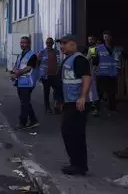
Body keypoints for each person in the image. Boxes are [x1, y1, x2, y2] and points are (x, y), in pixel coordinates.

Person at [58, 34, 92, 176]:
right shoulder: (70, 59)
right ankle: (76, 163)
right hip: (70, 102)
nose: (62, 46)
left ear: (73, 44)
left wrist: (82, 97)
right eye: (61, 44)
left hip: (77, 103)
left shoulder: (79, 59)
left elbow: (86, 78)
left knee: (75, 134)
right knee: (69, 132)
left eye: (64, 43)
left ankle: (79, 165)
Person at [90, 30, 123, 113]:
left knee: (112, 93)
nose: (107, 38)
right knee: (99, 93)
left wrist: (118, 70)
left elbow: (119, 61)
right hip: (101, 73)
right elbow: (94, 60)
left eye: (108, 36)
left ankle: (112, 108)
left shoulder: (116, 49)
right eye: (105, 37)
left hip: (112, 74)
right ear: (103, 38)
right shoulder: (98, 48)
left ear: (111, 37)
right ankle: (96, 109)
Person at [11, 36, 39, 130]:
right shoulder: (20, 55)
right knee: (25, 102)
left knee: (24, 103)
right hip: (20, 82)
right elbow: (16, 65)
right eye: (21, 42)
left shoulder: (32, 55)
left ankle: (22, 122)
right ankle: (33, 120)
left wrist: (19, 72)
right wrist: (14, 72)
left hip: (28, 83)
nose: (22, 44)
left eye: (24, 42)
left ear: (29, 44)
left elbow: (29, 68)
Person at [38, 37, 62, 114]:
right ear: (46, 43)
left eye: (50, 42)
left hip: (55, 75)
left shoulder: (56, 51)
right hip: (46, 76)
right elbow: (38, 63)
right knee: (46, 92)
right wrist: (40, 74)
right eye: (47, 42)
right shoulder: (42, 52)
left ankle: (56, 106)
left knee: (58, 91)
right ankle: (47, 108)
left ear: (52, 43)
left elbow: (58, 62)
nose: (49, 44)